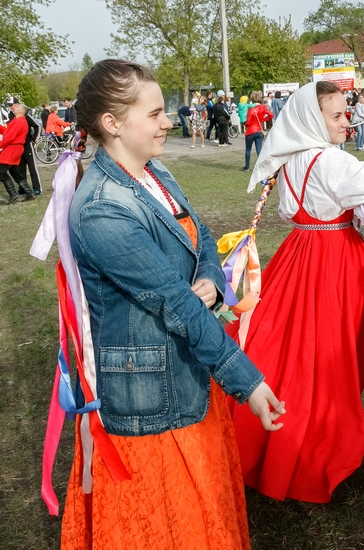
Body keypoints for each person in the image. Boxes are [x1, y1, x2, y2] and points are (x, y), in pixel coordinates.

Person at [58, 59, 284, 549]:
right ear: (112, 123)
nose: (169, 121)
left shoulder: (152, 171)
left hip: (185, 365)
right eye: (157, 113)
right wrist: (247, 380)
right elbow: (176, 306)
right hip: (148, 393)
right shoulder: (101, 208)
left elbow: (200, 235)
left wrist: (207, 276)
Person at [226, 80, 364, 504]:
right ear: (313, 120)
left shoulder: (288, 160)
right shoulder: (332, 161)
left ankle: (268, 435)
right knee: (330, 357)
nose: (346, 120)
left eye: (345, 112)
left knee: (286, 346)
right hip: (335, 260)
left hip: (298, 253)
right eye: (336, 115)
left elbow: (298, 208)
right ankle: (314, 446)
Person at [0, 103, 36, 203]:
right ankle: (29, 193)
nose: (14, 108)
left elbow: (9, 137)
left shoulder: (18, 121)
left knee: (1, 172)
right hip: (16, 149)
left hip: (12, 149)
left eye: (17, 107)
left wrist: (0, 144)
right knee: (15, 173)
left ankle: (13, 194)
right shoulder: (20, 121)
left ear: (20, 111)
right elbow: (8, 132)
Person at [241, 91, 273, 171]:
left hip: (250, 131)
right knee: (259, 150)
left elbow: (248, 121)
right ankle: (262, 166)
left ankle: (247, 167)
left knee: (248, 149)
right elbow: (271, 115)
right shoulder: (263, 107)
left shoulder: (251, 109)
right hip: (259, 130)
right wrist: (263, 119)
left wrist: (245, 124)